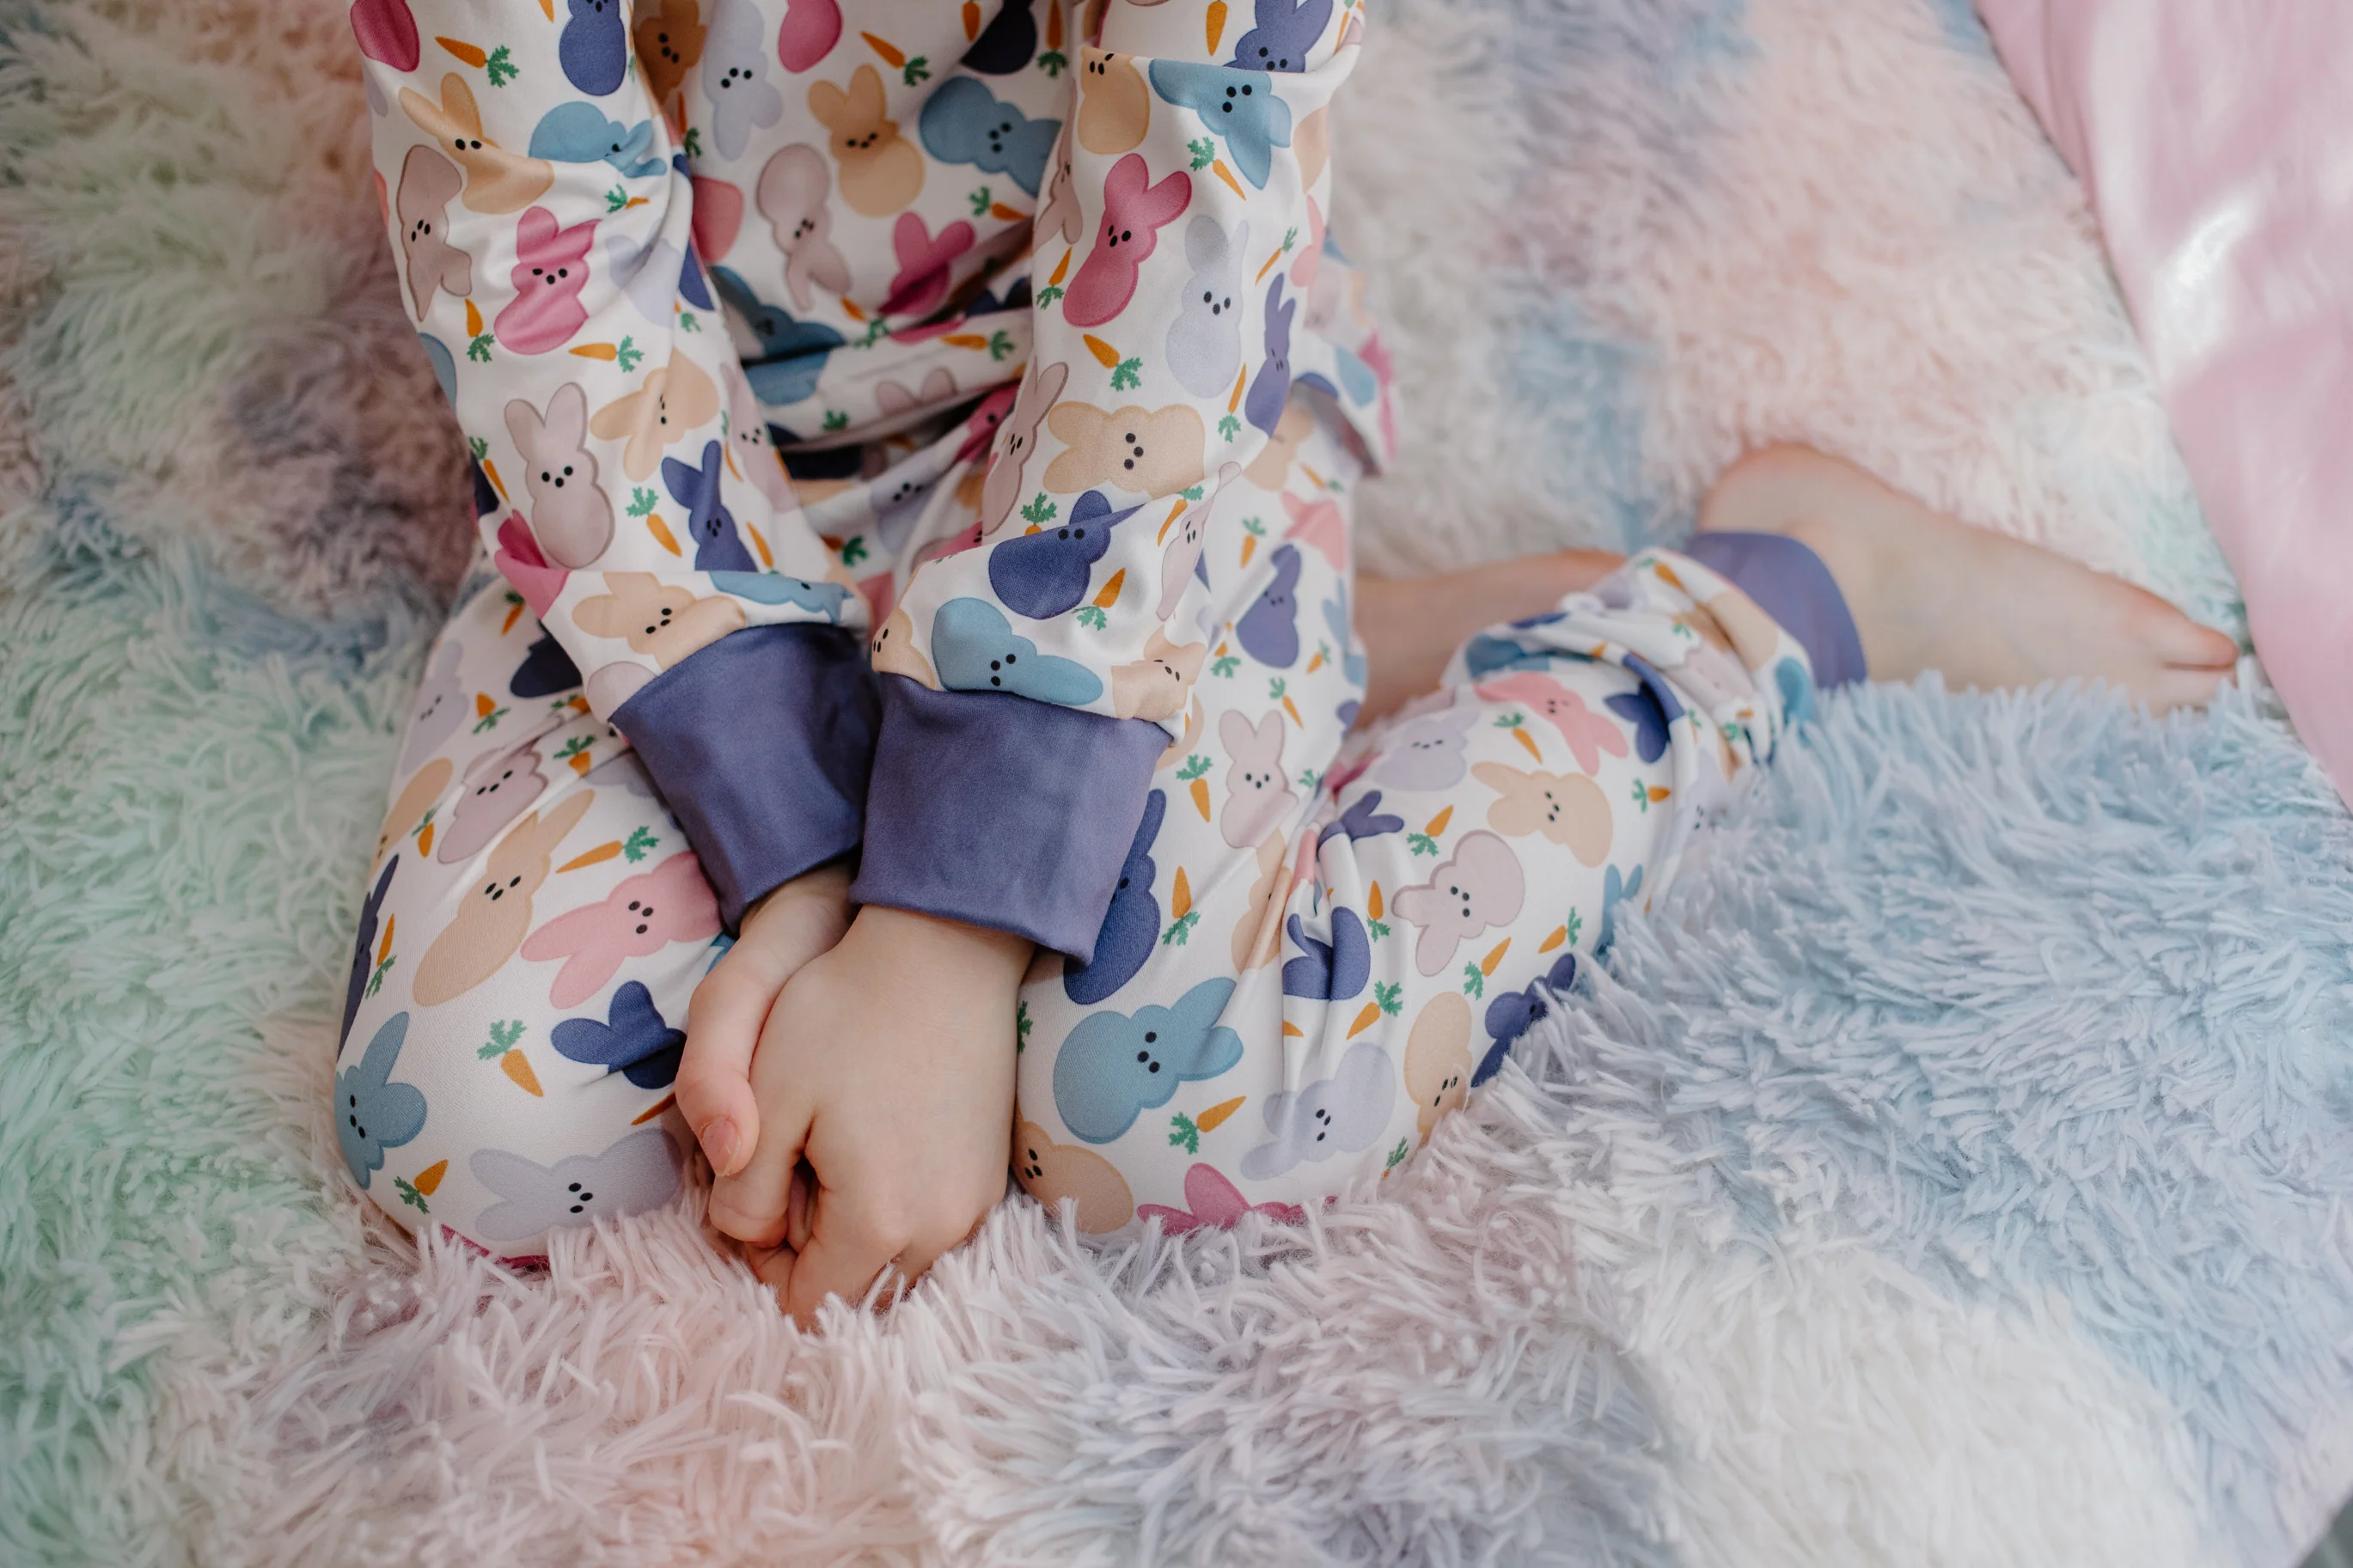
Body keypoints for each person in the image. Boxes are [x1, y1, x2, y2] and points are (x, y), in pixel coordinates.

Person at [334, 0, 2238, 1320]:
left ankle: (1769, 598)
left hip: (1131, 411)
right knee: (484, 1128)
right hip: (684, 464)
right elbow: (542, 250)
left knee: (1161, 1122)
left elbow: (1188, 215)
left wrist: (949, 918)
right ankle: (1342, 654)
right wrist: (805, 857)